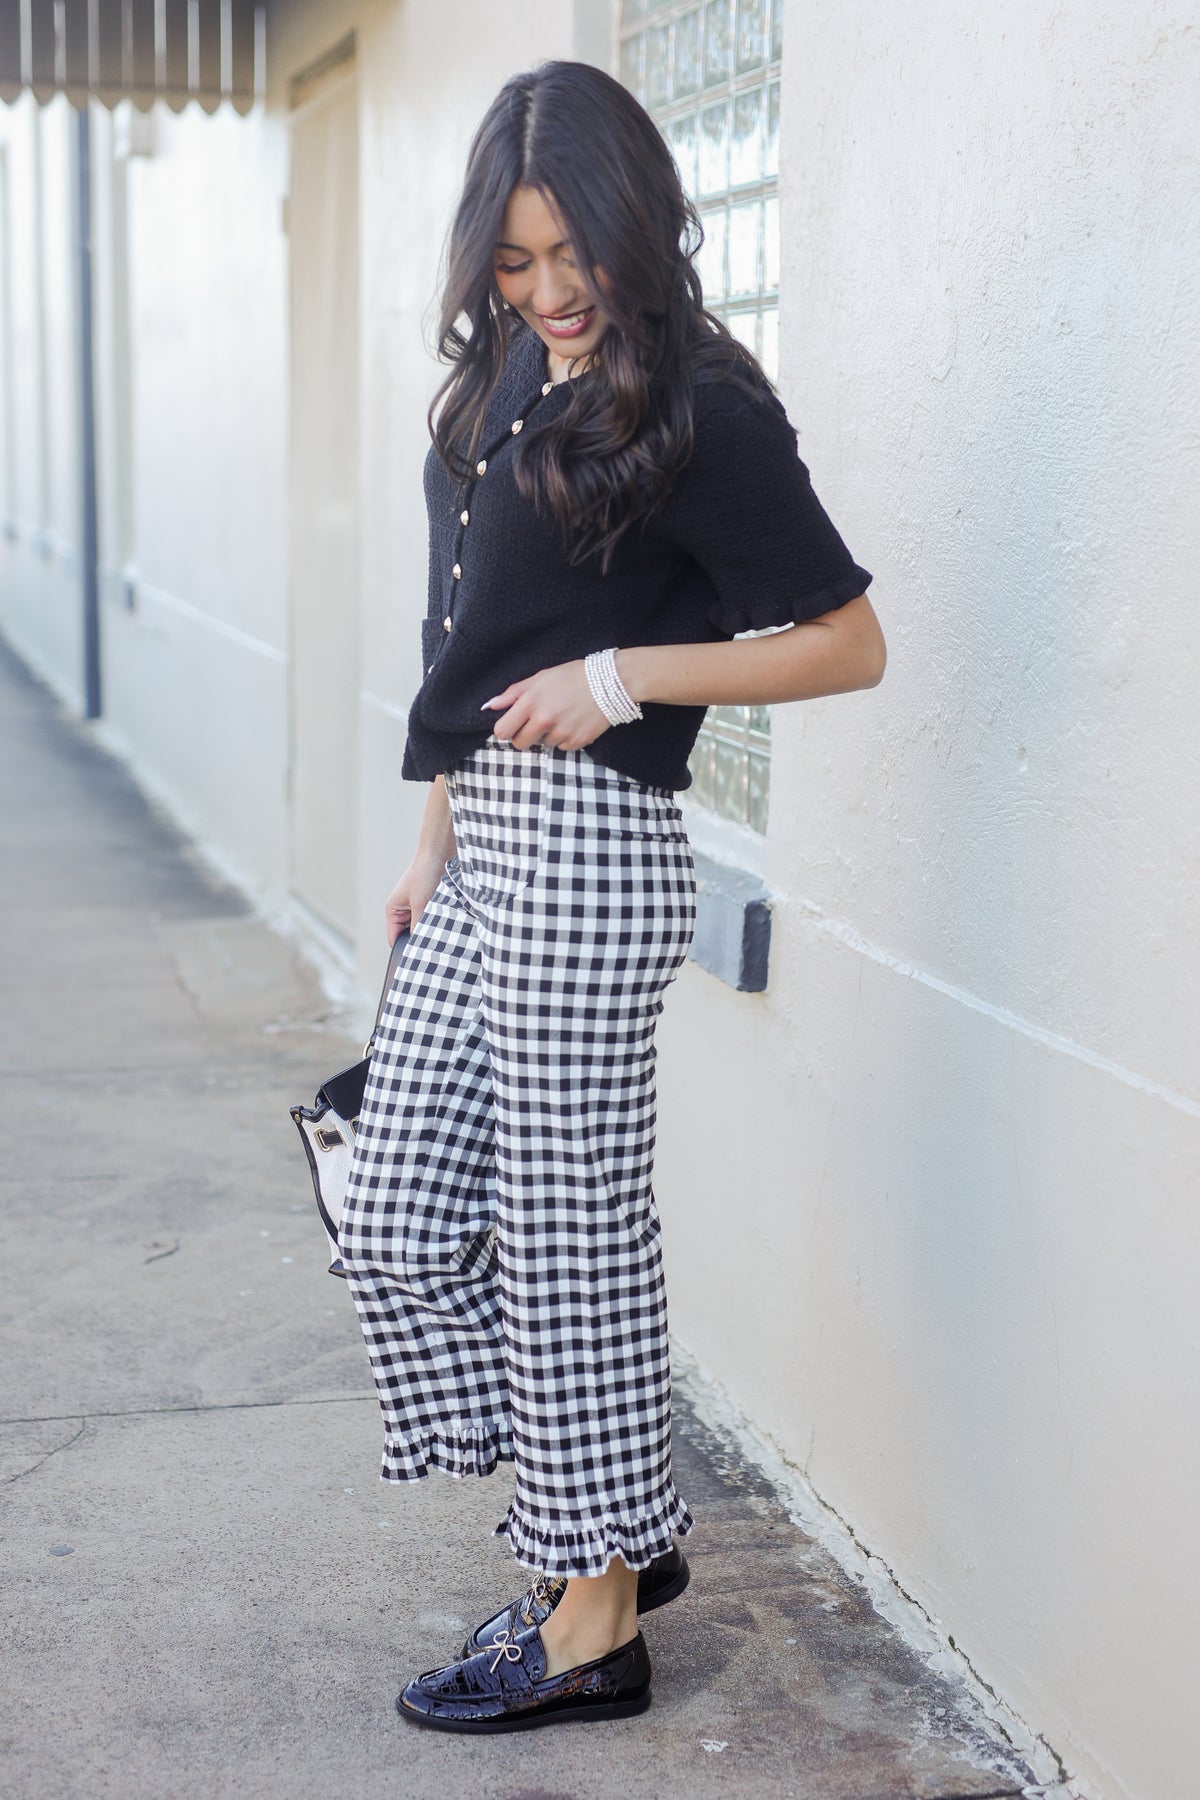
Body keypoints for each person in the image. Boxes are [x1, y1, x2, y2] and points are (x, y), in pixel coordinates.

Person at [337, 58, 886, 1734]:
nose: (551, 294)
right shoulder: (507, 366)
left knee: (571, 1241)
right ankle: (615, 1528)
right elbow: (469, 637)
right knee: (396, 1212)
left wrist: (627, 675)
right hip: (488, 834)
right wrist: (434, 835)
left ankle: (591, 1616)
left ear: (636, 226)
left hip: (591, 848)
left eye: (574, 255)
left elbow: (850, 641)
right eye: (514, 263)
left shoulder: (703, 401)